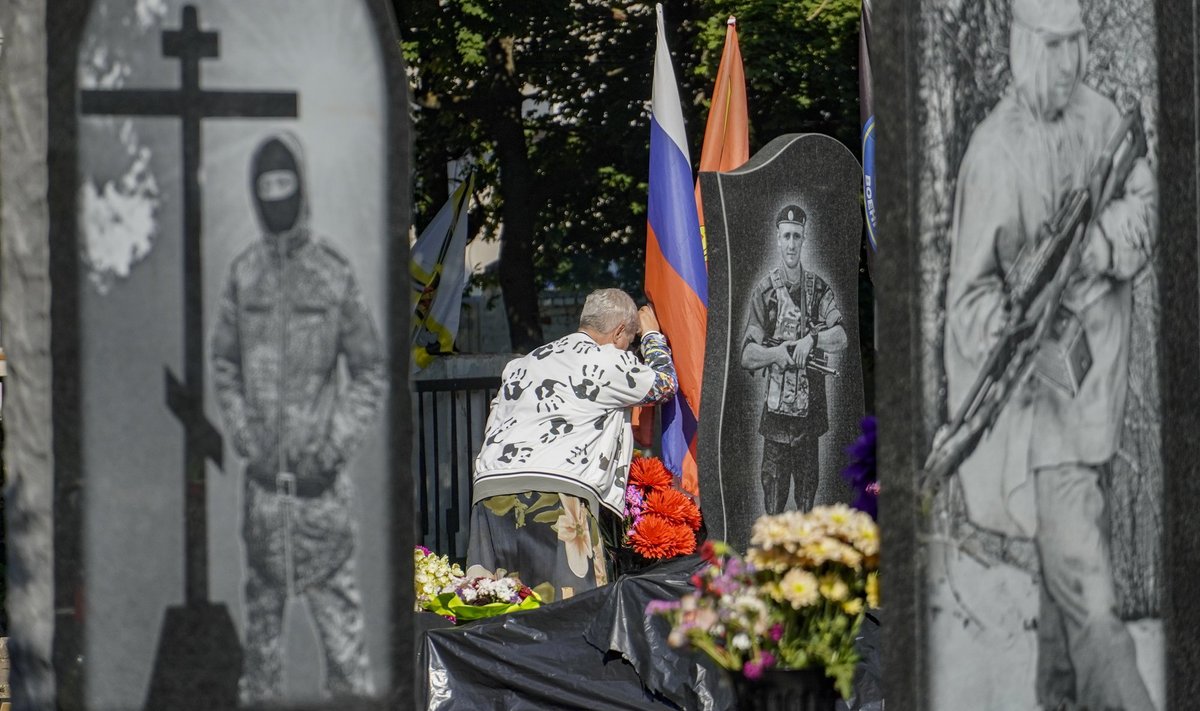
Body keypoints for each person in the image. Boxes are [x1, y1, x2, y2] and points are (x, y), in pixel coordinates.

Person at [943, 0, 1157, 707]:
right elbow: (968, 299)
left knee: (1068, 590)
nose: (1066, 64)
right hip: (1041, 419)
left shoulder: (1105, 121)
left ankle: (1058, 699)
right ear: (1022, 45)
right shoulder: (992, 151)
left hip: (1098, 398)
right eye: (1051, 46)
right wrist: (1009, 320)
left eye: (1075, 45)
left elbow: (1144, 206)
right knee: (1090, 591)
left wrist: (1097, 246)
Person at [211, 132, 387, 704]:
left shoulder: (330, 274)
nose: (276, 196)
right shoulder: (245, 276)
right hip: (263, 499)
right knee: (260, 670)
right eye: (267, 186)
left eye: (285, 183)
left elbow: (368, 371)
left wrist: (333, 446)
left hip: (321, 500)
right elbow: (224, 361)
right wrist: (245, 436)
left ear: (301, 189)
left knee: (347, 664)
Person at [467, 289, 677, 600]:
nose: (628, 348)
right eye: (629, 340)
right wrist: (651, 338)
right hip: (555, 491)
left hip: (490, 491)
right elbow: (664, 384)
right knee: (571, 609)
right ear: (620, 331)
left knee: (494, 602)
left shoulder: (523, 364)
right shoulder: (607, 360)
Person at [740, 205, 847, 515]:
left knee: (805, 506)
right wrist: (778, 354)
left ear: (804, 240)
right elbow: (747, 355)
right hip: (775, 421)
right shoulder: (764, 292)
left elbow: (840, 336)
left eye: (796, 237)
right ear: (777, 238)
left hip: (809, 419)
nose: (790, 243)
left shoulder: (818, 289)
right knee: (772, 505)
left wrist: (811, 339)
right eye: (785, 236)